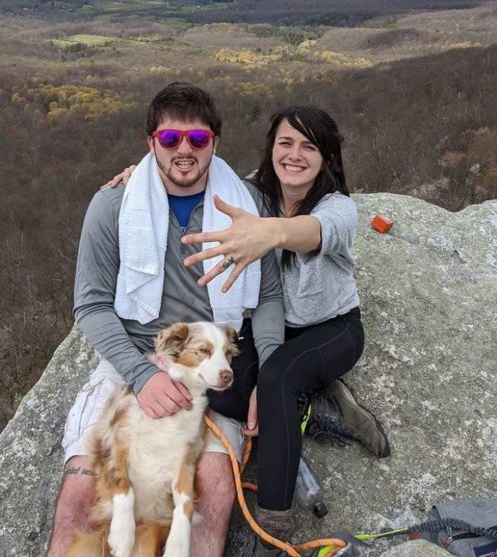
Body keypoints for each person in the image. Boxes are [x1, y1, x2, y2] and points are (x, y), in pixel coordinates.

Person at [47, 81, 284, 557]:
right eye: (170, 138)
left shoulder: (246, 207)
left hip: (211, 362)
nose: (184, 150)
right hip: (132, 361)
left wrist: (271, 377)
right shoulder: (113, 206)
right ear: (150, 141)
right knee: (80, 493)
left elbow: (271, 296)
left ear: (214, 143)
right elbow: (91, 305)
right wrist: (142, 376)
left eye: (197, 139)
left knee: (213, 489)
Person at [180, 106, 389, 556]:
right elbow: (191, 170)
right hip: (272, 329)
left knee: (276, 380)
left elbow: (309, 232)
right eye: (286, 143)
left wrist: (270, 232)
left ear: (327, 158)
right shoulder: (251, 189)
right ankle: (317, 398)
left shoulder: (338, 209)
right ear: (271, 148)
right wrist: (133, 177)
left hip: (332, 329)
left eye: (309, 147)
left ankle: (274, 529)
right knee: (223, 390)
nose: (295, 155)